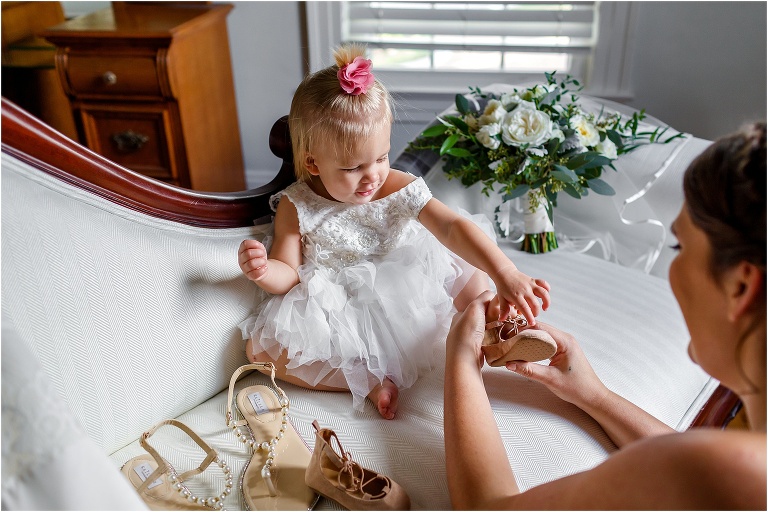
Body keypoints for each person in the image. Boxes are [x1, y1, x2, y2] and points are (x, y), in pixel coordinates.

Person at [444, 122, 766, 508]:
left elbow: (487, 507)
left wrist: (461, 357)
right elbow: (697, 469)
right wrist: (596, 396)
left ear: (741, 287)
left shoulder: (722, 471)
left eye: (679, 247)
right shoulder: (730, 465)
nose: (673, 269)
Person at [237, 44, 551, 420]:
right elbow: (288, 273)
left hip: (413, 285)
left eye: (382, 157)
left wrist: (506, 272)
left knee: (461, 265)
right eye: (353, 168)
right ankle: (369, 380)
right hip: (347, 308)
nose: (372, 176)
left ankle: (497, 330)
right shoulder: (297, 204)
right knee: (261, 351)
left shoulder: (396, 186)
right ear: (313, 162)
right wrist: (263, 271)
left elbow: (452, 226)